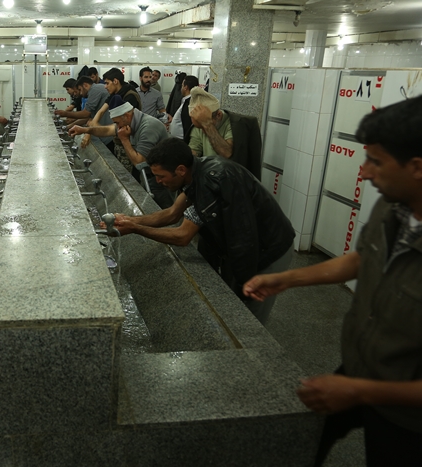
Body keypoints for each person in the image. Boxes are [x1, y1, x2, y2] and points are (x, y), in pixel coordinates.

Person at [242, 95, 422, 466]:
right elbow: (364, 258)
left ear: (417, 167)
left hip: (406, 416)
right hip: (361, 370)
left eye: (376, 162)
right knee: (302, 442)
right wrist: (287, 278)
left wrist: (358, 391)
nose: (364, 173)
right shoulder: (395, 205)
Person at [109, 137, 294, 323]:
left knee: (249, 318)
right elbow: (172, 214)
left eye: (161, 176)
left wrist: (135, 228)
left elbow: (183, 236)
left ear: (180, 170)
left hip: (269, 249)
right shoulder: (195, 175)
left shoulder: (213, 181)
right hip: (246, 246)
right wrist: (129, 220)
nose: (157, 181)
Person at [68, 100, 174, 209]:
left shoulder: (148, 127)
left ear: (127, 116)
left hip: (163, 179)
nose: (117, 127)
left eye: (118, 123)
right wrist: (84, 130)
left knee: (162, 209)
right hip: (150, 175)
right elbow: (107, 130)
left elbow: (139, 162)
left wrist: (124, 139)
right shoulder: (130, 122)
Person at [188, 87, 262, 180]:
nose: (203, 131)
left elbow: (227, 153)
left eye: (204, 126)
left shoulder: (235, 124)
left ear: (218, 115)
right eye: (200, 127)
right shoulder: (198, 126)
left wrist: (207, 125)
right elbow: (194, 150)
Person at [80, 67, 141, 152]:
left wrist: (94, 128)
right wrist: (90, 131)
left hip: (131, 142)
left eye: (107, 83)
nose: (105, 86)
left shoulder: (130, 96)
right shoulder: (114, 94)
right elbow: (101, 111)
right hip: (119, 139)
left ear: (115, 81)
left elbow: (122, 125)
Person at [55, 76, 115, 153]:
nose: (80, 93)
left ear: (85, 85)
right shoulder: (93, 91)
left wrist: (65, 113)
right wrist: (68, 127)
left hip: (107, 133)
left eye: (80, 89)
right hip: (103, 132)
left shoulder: (95, 90)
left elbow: (85, 114)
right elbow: (88, 117)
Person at [169, 75, 199, 141]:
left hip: (182, 140)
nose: (181, 88)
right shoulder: (187, 100)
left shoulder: (189, 103)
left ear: (186, 87)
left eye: (182, 85)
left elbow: (187, 124)